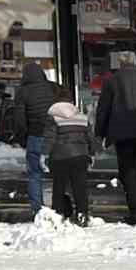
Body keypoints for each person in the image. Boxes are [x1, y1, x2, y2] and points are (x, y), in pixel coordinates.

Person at [94, 50, 136, 225]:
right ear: (135, 62)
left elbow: (103, 109)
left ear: (120, 63)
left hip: (121, 132)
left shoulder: (111, 81)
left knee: (127, 171)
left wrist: (100, 133)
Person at [41, 90, 97, 226]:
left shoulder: (53, 117)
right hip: (80, 156)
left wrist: (45, 155)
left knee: (59, 187)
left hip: (60, 156)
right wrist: (92, 154)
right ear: (71, 103)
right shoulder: (82, 118)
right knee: (80, 188)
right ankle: (82, 215)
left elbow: (50, 138)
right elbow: (90, 138)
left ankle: (58, 216)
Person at [13, 61, 59, 218]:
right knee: (59, 173)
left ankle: (37, 210)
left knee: (34, 174)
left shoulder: (22, 92)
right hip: (55, 136)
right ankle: (60, 207)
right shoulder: (53, 88)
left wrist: (22, 138)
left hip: (35, 135)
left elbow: (19, 120)